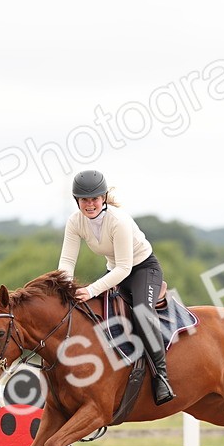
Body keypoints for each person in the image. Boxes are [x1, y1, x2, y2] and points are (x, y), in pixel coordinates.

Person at [58, 169, 175, 405]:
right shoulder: (75, 222)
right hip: (116, 272)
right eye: (84, 200)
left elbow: (124, 268)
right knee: (91, 312)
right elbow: (68, 261)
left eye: (94, 199)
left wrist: (91, 290)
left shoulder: (118, 220)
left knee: (142, 313)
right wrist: (65, 286)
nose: (89, 205)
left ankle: (161, 376)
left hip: (142, 269)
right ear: (77, 201)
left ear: (103, 198)